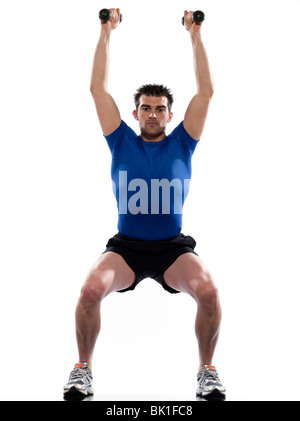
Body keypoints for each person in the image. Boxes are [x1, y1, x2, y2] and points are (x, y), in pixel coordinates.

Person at [63, 8, 226, 400]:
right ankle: (82, 369)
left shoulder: (183, 142)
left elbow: (205, 93)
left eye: (160, 108)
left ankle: (207, 370)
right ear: (135, 113)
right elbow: (97, 89)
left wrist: (195, 34)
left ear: (170, 115)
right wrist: (106, 30)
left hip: (172, 249)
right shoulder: (120, 140)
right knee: (88, 290)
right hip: (127, 248)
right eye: (146, 108)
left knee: (208, 292)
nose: (153, 113)